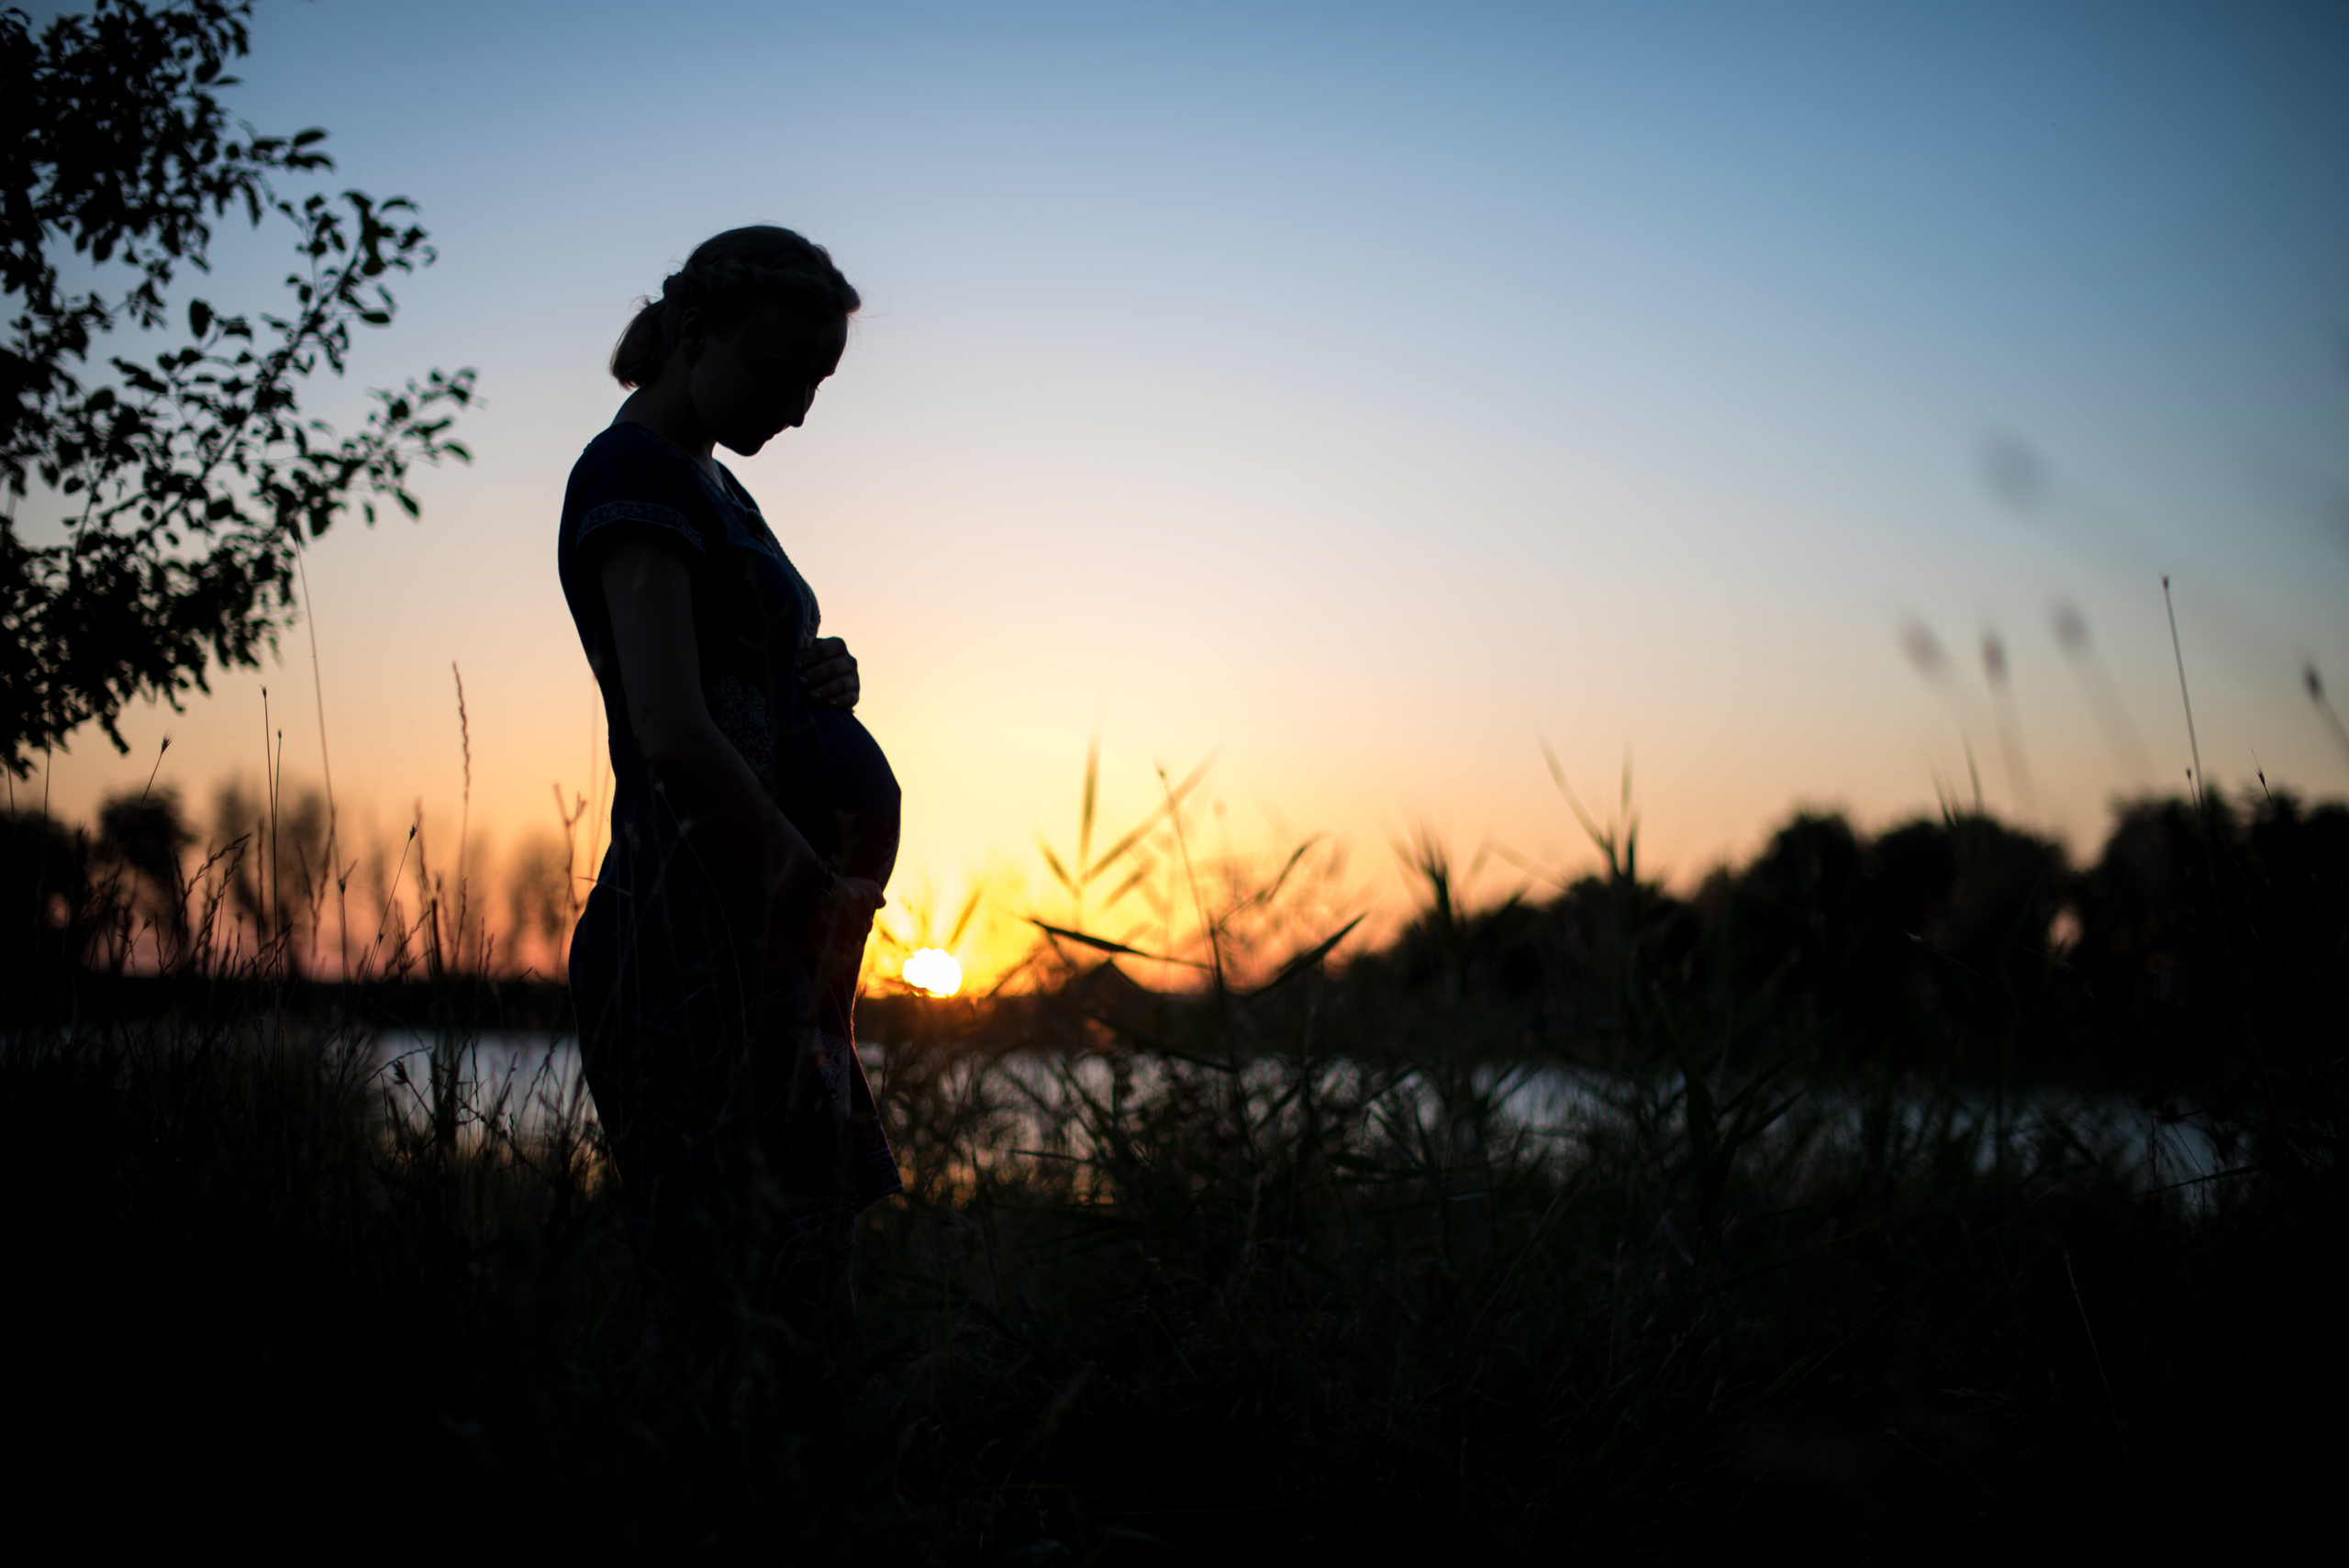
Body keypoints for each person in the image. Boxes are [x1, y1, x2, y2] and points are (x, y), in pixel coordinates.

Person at [556, 227, 901, 1353]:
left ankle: (817, 1519)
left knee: (807, 1267)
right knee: (719, 1296)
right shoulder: (632, 475)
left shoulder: (719, 488)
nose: (800, 408)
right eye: (780, 371)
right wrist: (812, 886)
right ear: (695, 334)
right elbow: (670, 729)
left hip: (771, 948)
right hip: (690, 942)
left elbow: (736, 673)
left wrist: (821, 670)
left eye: (820, 383)